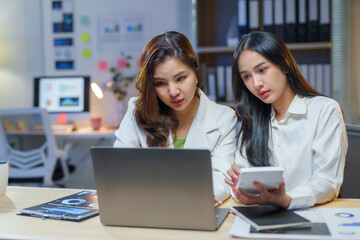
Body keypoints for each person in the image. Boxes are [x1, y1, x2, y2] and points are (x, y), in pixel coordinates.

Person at [225, 31, 348, 209]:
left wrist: (287, 200)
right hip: (266, 216)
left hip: (315, 213)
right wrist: (240, 187)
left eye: (262, 70)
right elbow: (241, 176)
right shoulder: (254, 119)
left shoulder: (324, 110)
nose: (256, 83)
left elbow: (327, 182)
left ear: (284, 65)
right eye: (246, 76)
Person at [114, 31, 237, 203]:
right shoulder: (137, 110)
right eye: (161, 83)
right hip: (147, 210)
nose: (173, 92)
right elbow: (118, 171)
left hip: (199, 209)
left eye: (180, 78)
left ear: (195, 71)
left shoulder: (225, 119)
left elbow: (221, 180)